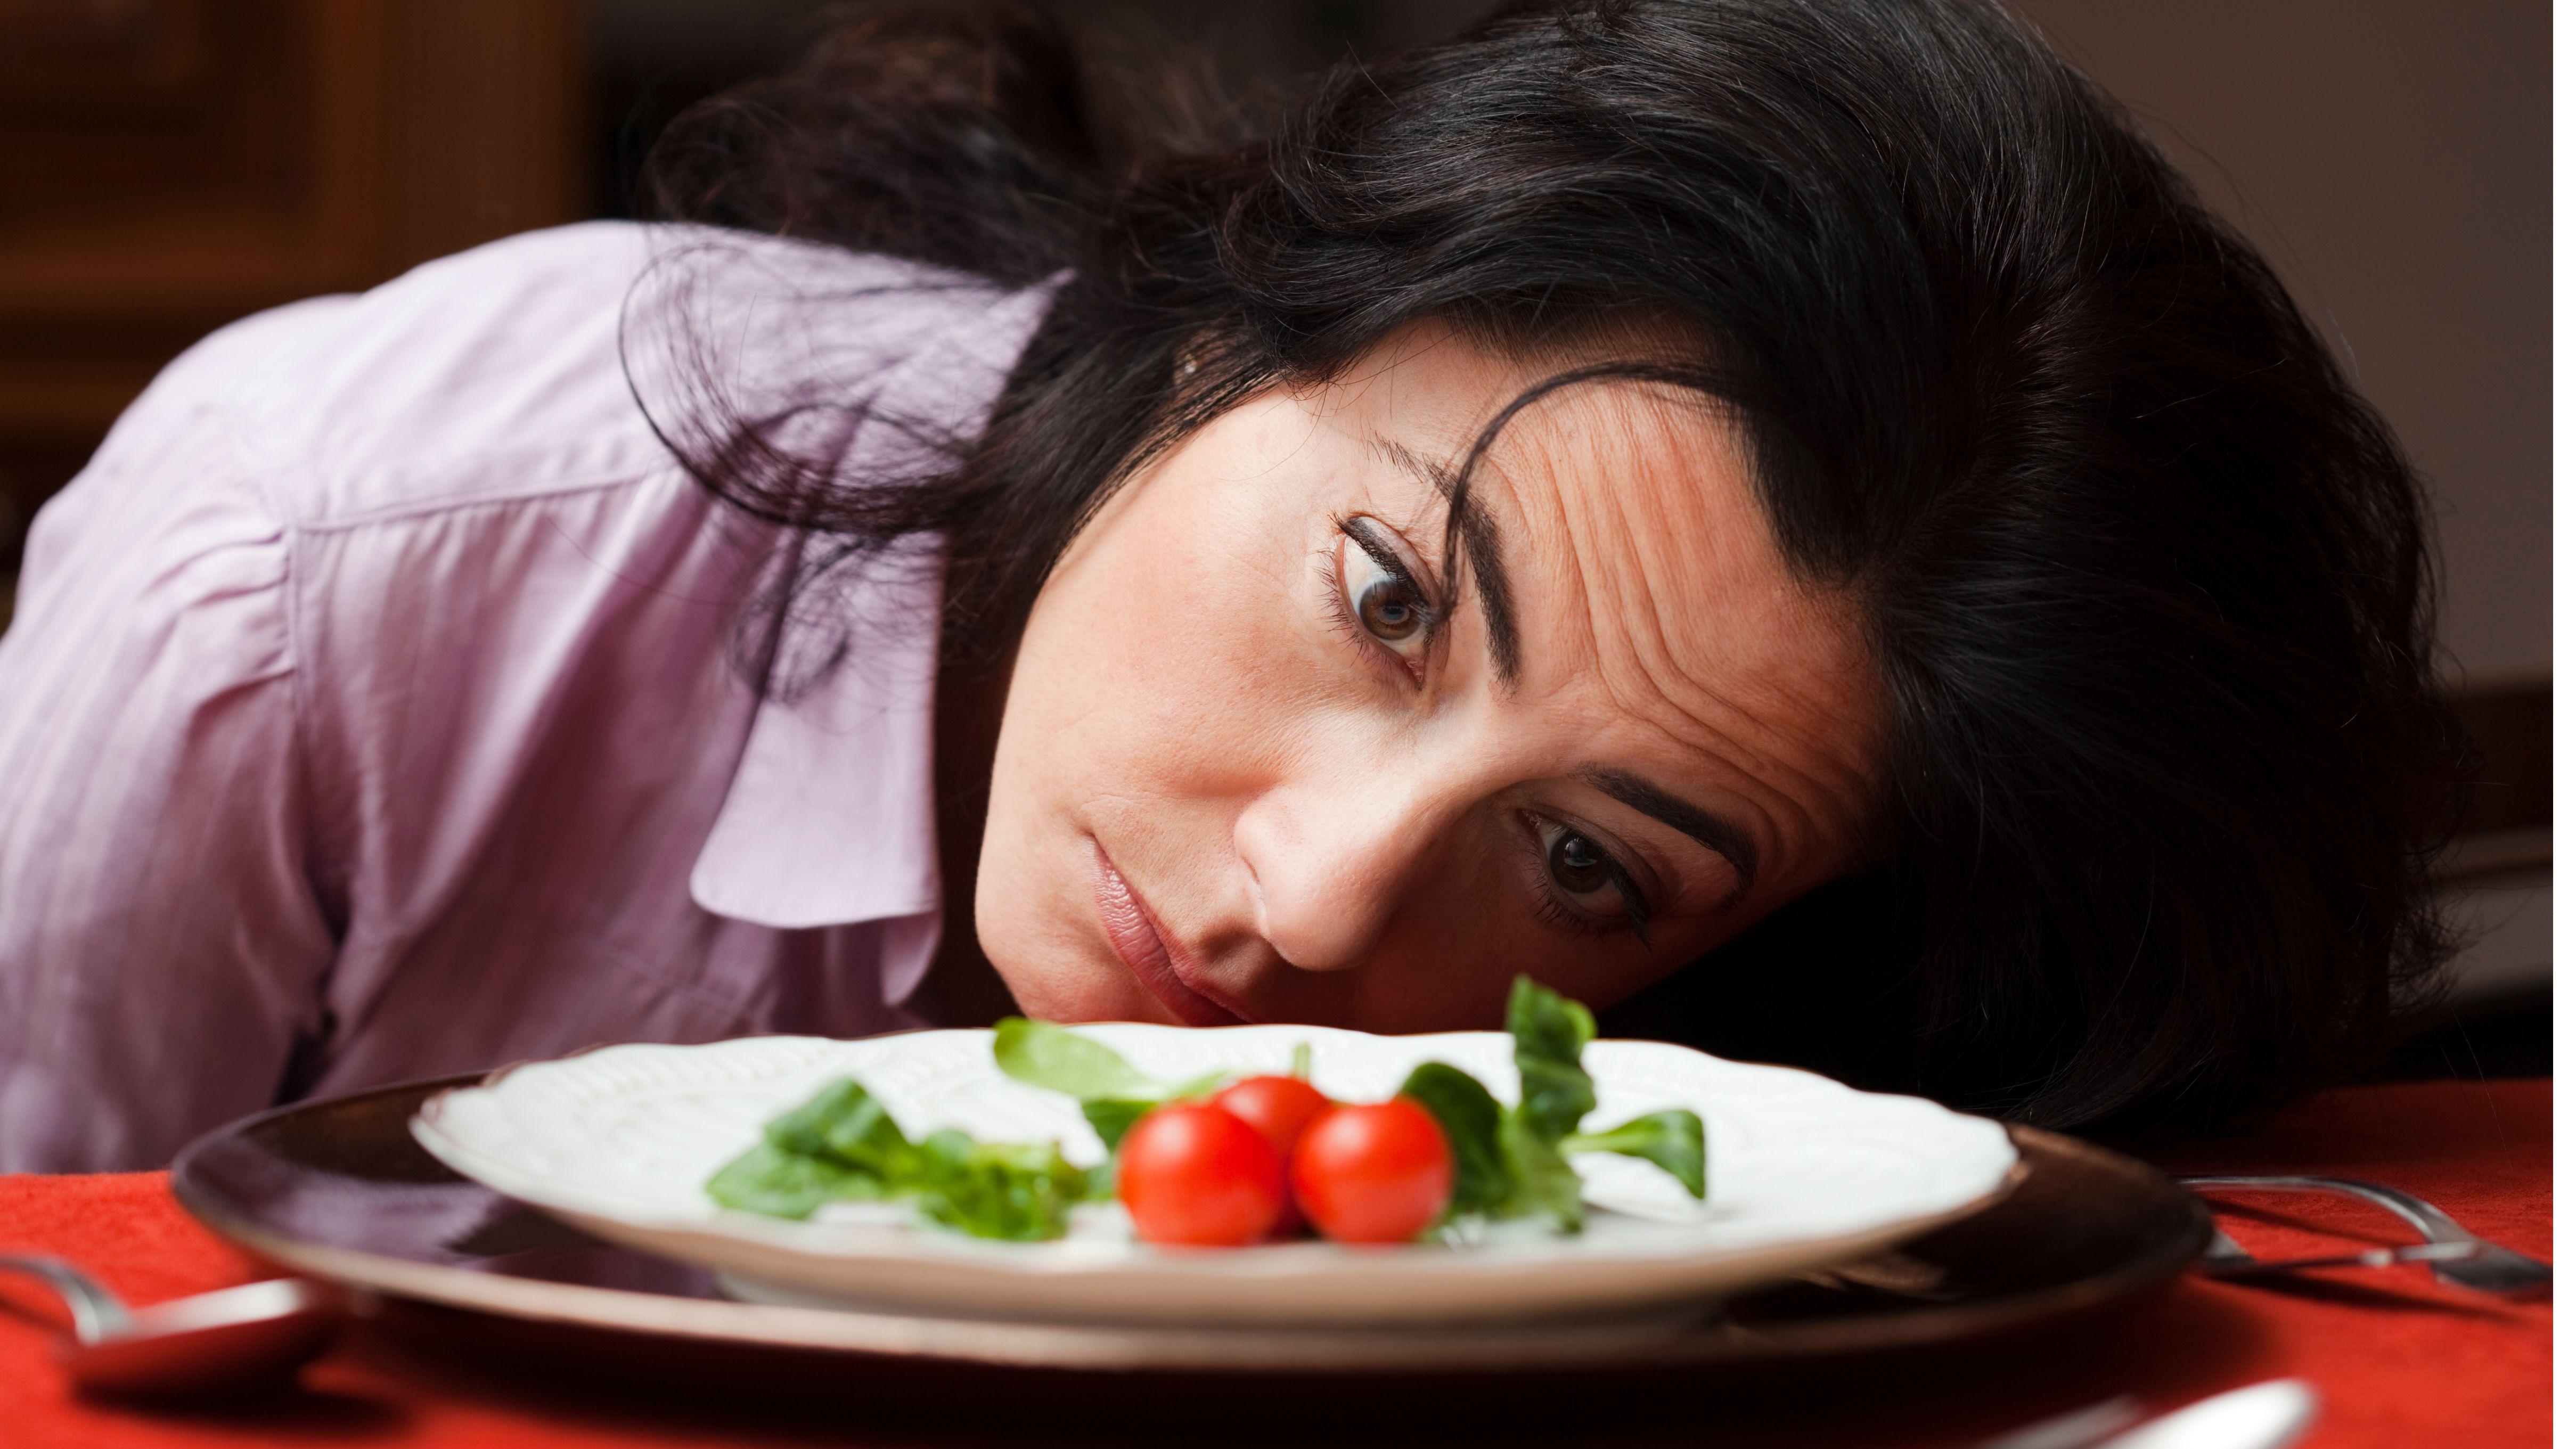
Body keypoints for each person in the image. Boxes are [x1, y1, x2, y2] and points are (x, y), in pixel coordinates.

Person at [0, 0, 2459, 1172]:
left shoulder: (1690, 1100)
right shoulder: (311, 578)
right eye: (1390, 597)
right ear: (1224, 315)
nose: (1315, 898)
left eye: (1585, 862)